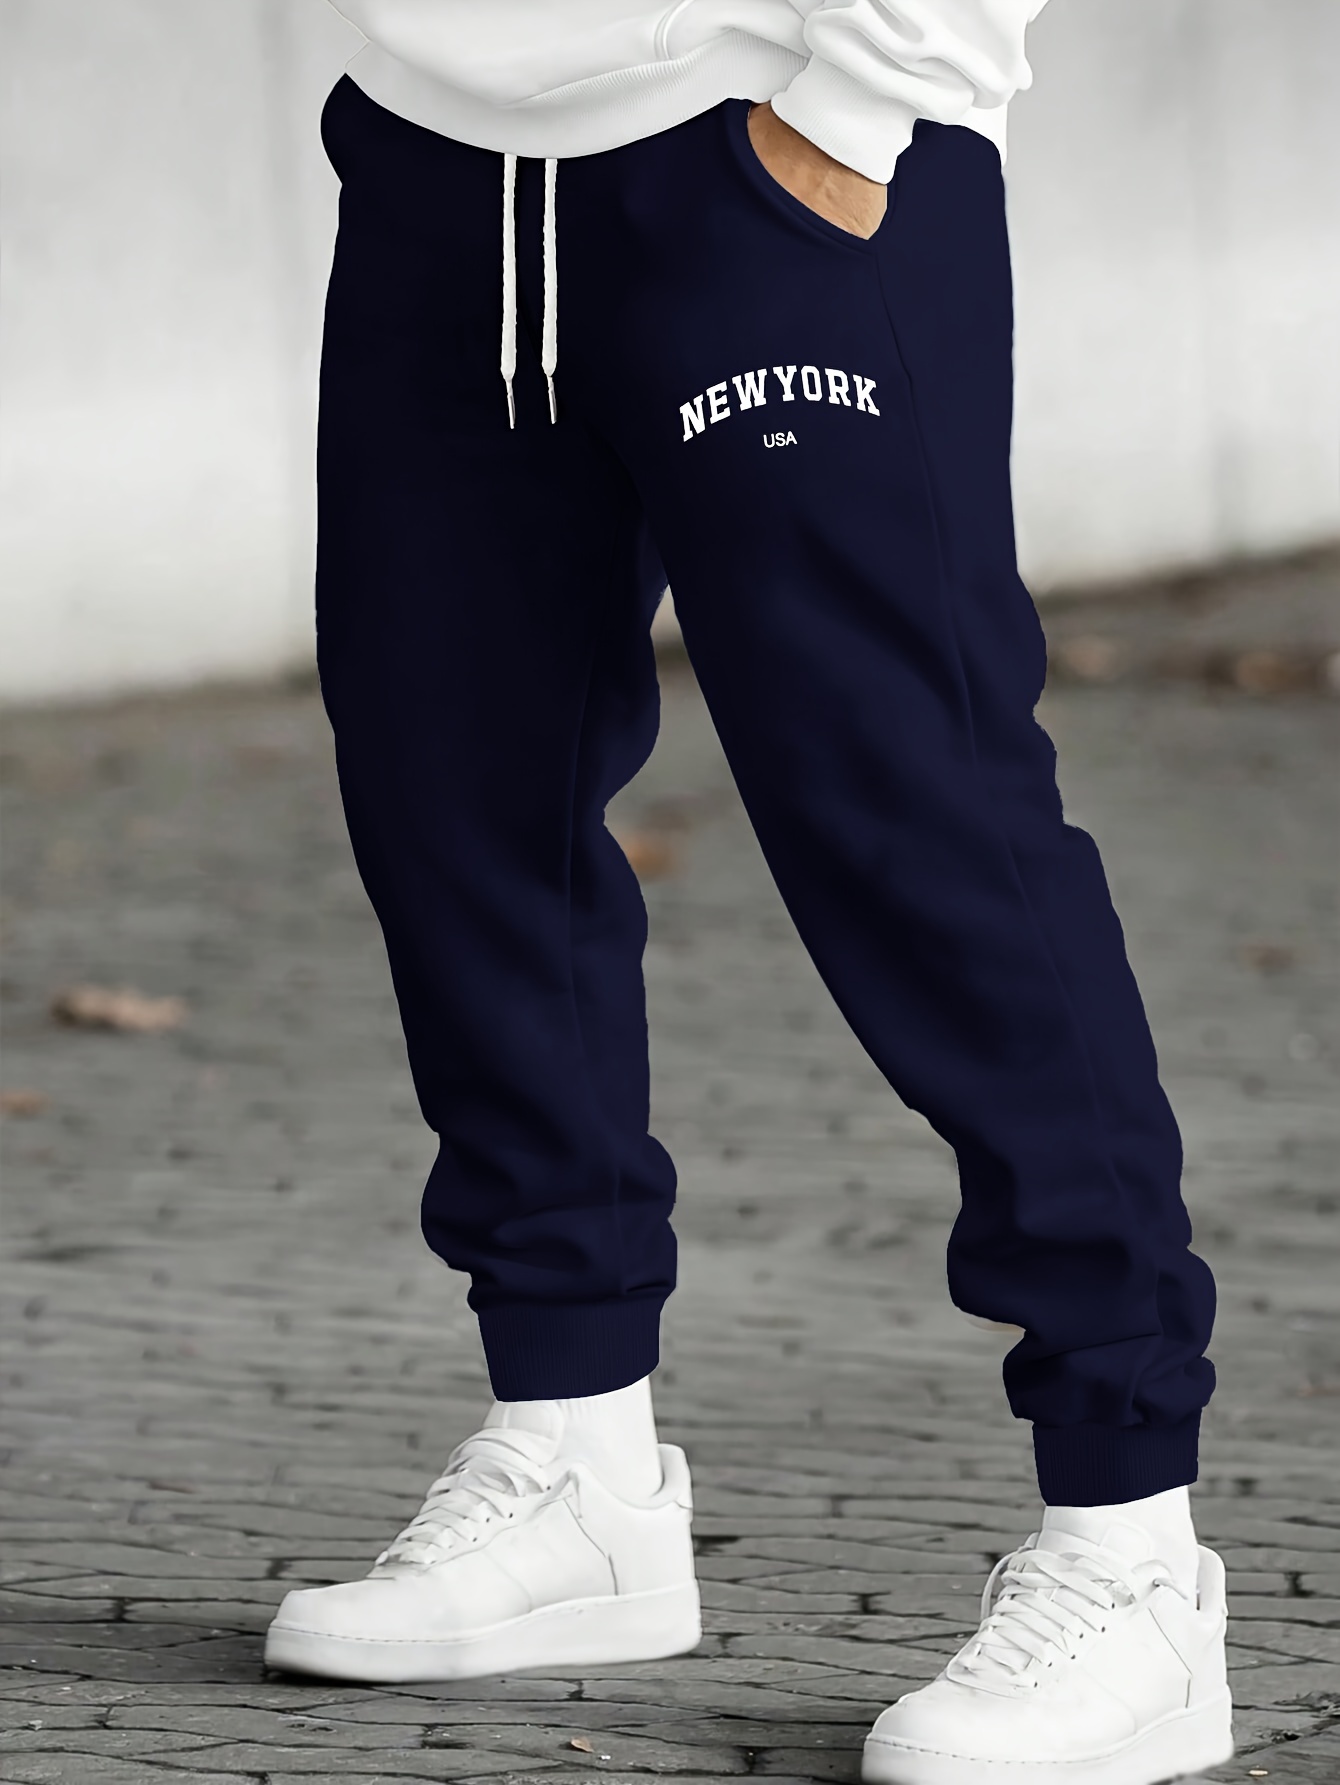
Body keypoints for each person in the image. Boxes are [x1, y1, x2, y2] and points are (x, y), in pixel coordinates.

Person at [262, 3, 1231, 1778]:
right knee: (455, 801)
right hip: (437, 162)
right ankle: (577, 1460)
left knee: (919, 831)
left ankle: (1132, 1548)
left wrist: (861, 106)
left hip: (771, 149)